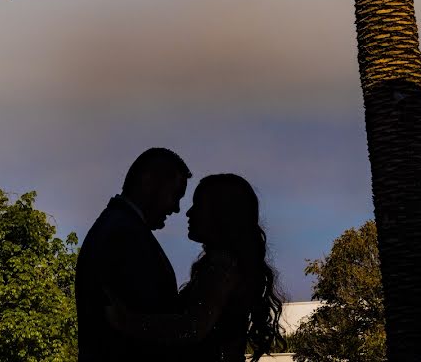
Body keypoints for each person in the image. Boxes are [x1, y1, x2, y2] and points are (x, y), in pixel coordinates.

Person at [105, 173, 286, 361]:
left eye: (198, 205)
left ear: (220, 213)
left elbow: (192, 328)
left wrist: (127, 322)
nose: (188, 213)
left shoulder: (222, 268)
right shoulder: (229, 266)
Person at [75, 147, 191, 362]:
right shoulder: (125, 234)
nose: (176, 208)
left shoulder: (115, 227)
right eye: (175, 195)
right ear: (148, 183)